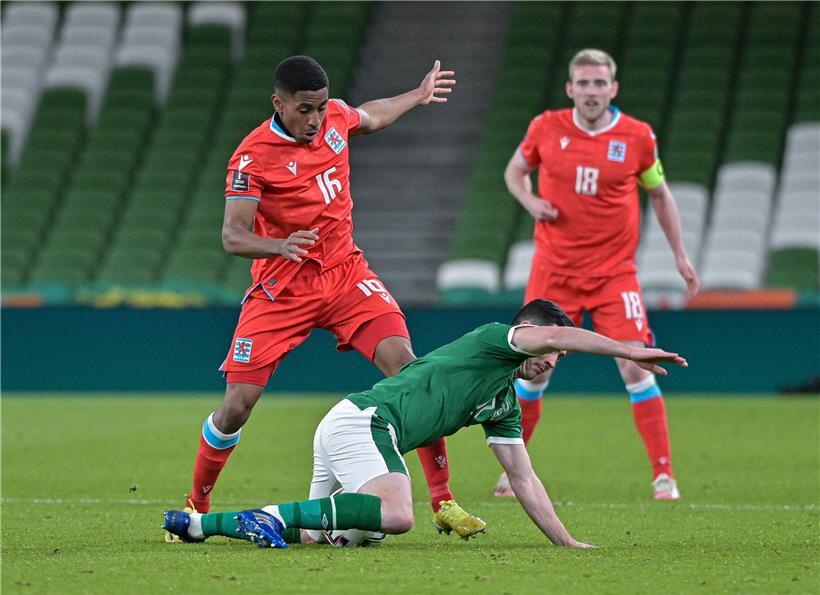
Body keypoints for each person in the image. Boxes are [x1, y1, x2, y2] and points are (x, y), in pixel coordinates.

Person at [168, 55, 483, 541]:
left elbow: (371, 115)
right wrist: (279, 244)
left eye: (319, 108)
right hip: (283, 287)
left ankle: (443, 501)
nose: (315, 119)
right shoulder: (252, 156)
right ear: (279, 104)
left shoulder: (334, 117)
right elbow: (232, 235)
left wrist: (417, 96)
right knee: (237, 405)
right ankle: (196, 504)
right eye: (304, 110)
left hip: (344, 275)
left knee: (412, 372)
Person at [163, 299, 687, 548]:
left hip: (352, 428)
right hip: (365, 423)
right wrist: (629, 350)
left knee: (336, 539)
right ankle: (269, 515)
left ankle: (196, 525)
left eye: (558, 357)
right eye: (549, 347)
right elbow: (563, 338)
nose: (552, 360)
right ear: (526, 333)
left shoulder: (502, 402)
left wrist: (565, 542)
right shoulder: (493, 339)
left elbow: (524, 478)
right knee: (397, 515)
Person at [499, 49, 700, 500]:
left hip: (614, 275)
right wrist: (529, 201)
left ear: (613, 88)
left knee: (635, 364)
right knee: (534, 371)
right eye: (583, 84)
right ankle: (514, 475)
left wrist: (680, 256)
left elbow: (661, 196)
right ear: (570, 89)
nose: (592, 91)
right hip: (554, 272)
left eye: (599, 83)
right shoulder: (545, 127)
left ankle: (663, 474)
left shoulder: (637, 137)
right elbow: (514, 172)